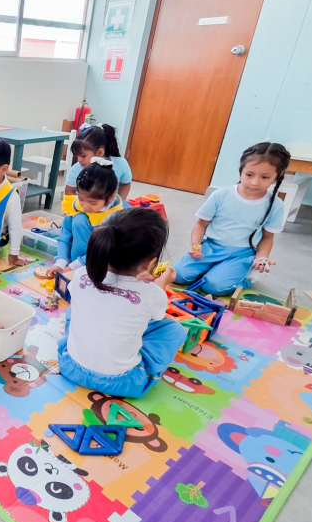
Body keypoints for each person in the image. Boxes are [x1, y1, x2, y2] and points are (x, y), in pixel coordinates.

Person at [57, 208, 185, 398]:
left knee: (74, 311)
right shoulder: (151, 293)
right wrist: (162, 283)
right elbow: (157, 317)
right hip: (122, 382)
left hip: (70, 366)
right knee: (174, 330)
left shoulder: (81, 275)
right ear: (150, 264)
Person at [173, 142, 290, 295]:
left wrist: (261, 257)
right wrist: (195, 245)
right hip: (211, 247)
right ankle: (215, 271)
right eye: (249, 175)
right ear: (241, 170)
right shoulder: (221, 195)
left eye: (265, 177)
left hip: (242, 254)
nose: (255, 182)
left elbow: (268, 237)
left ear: (278, 176)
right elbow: (201, 224)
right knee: (178, 275)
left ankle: (248, 277)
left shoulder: (275, 205)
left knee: (214, 287)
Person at [50, 159, 125, 274]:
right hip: (76, 264)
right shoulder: (76, 207)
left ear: (110, 197)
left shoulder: (117, 217)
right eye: (81, 199)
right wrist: (60, 262)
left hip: (104, 267)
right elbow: (65, 236)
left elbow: (105, 251)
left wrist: (75, 266)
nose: (85, 206)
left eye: (93, 203)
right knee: (79, 219)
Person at [65, 124, 132, 199]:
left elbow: (125, 184)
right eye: (77, 156)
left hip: (110, 207)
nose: (79, 159)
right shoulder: (76, 169)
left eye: (83, 156)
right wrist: (81, 205)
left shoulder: (120, 164)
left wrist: (121, 200)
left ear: (100, 153)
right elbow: (69, 192)